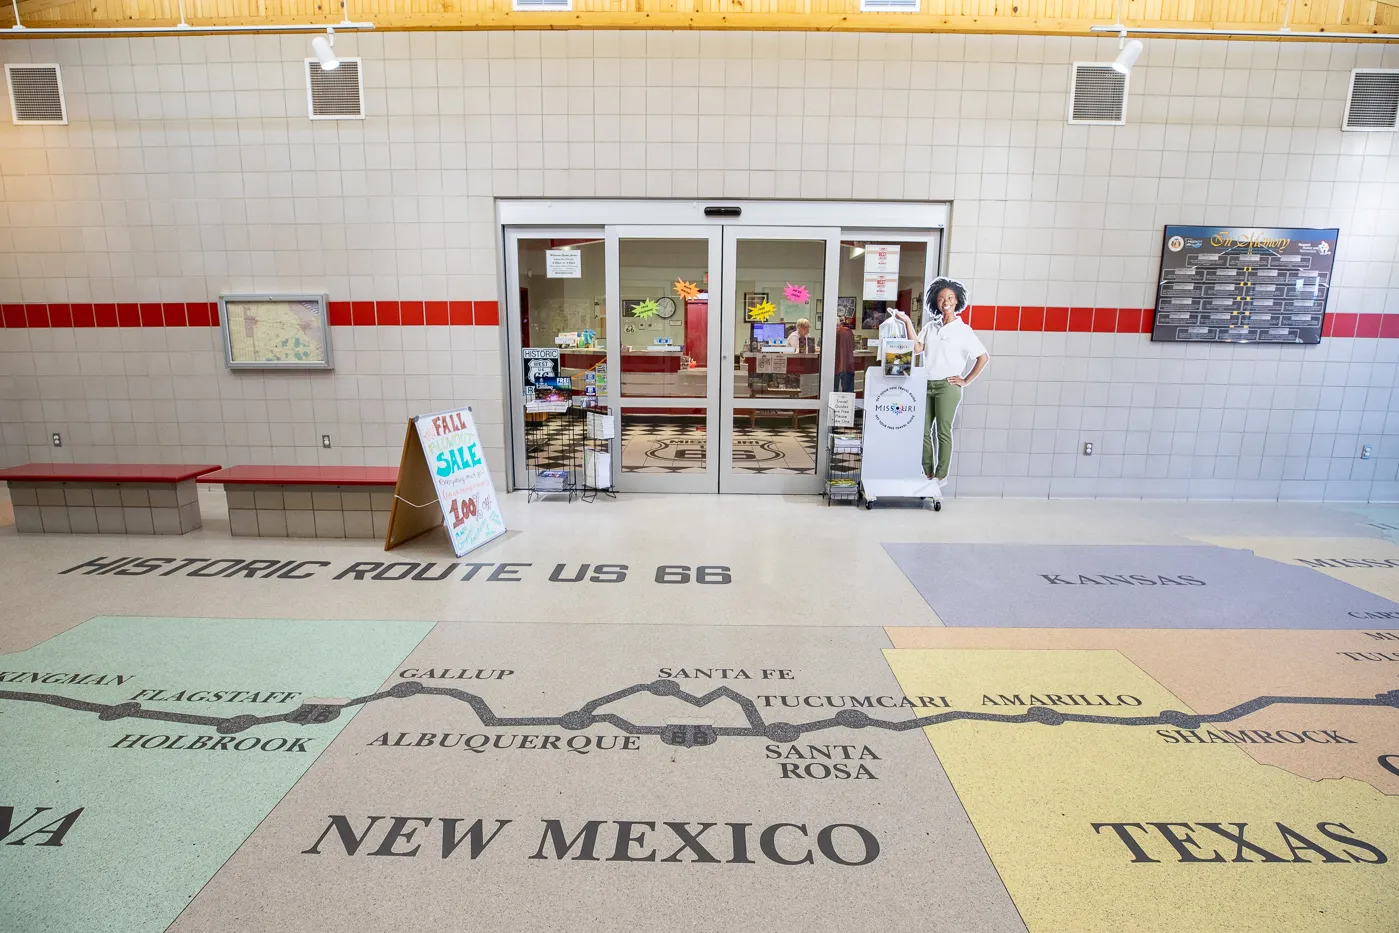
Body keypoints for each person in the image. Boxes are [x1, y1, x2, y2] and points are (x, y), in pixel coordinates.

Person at [914, 277, 988, 483]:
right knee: (922, 432)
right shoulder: (930, 327)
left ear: (957, 301)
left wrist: (965, 380)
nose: (945, 302)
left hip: (947, 386)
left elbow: (983, 357)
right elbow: (917, 348)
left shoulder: (963, 331)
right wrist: (906, 323)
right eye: (940, 298)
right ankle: (928, 473)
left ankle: (940, 475)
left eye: (950, 298)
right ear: (935, 302)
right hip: (926, 384)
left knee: (942, 431)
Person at [834, 315, 855, 393]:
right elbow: (853, 346)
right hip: (848, 364)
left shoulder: (832, 333)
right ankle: (848, 404)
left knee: (833, 390)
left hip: (835, 366)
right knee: (848, 391)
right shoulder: (848, 331)